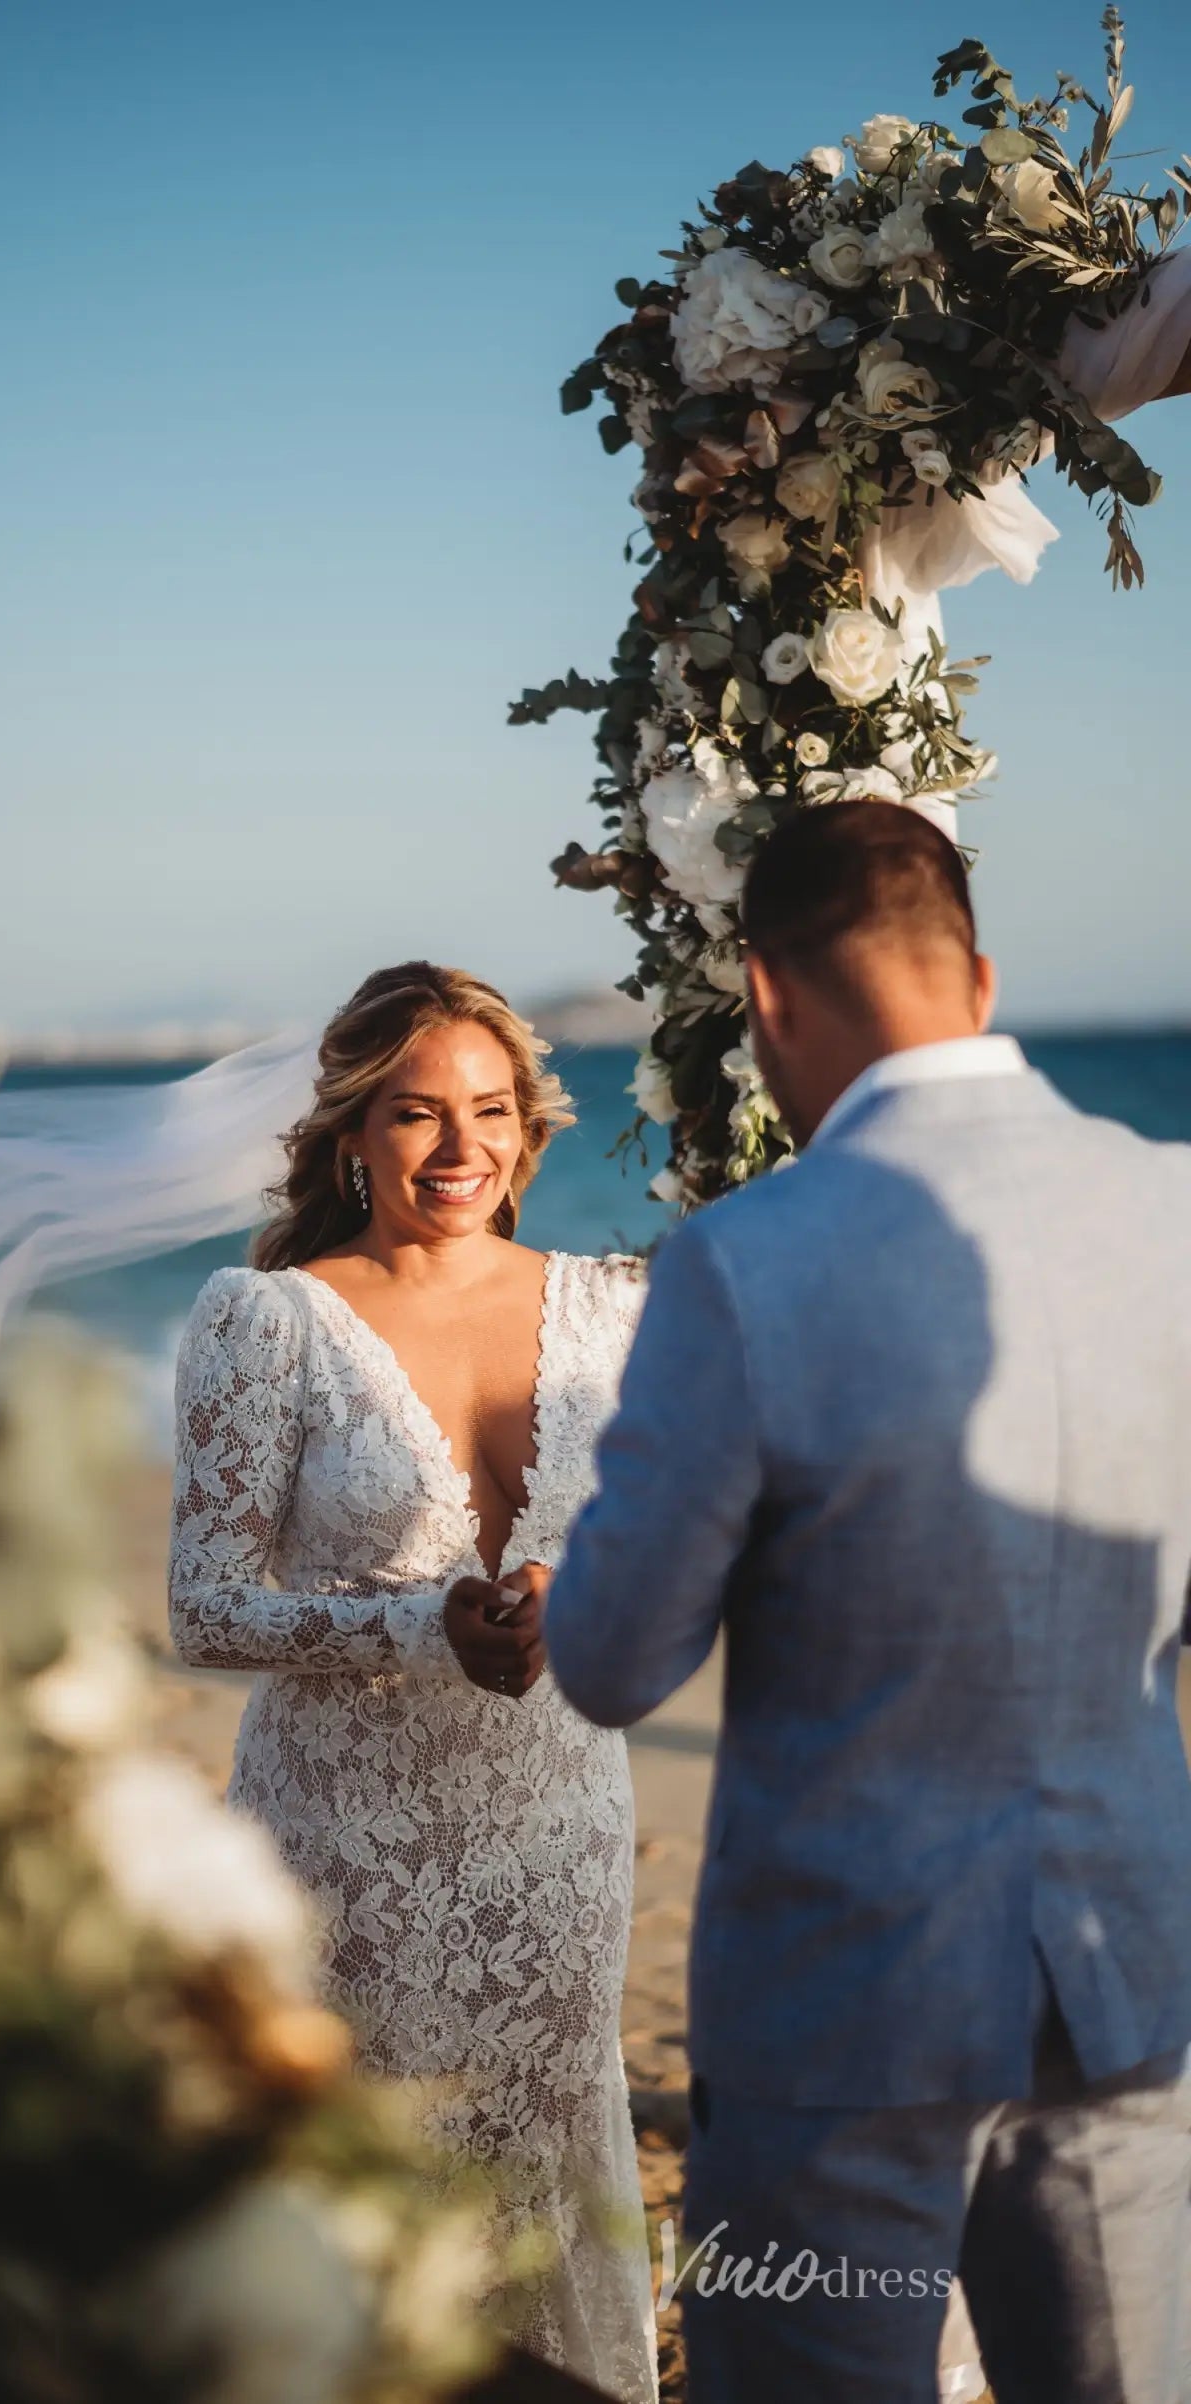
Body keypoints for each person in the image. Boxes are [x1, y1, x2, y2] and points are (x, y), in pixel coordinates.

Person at [546, 802, 1191, 2404]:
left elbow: (618, 1658)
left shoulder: (748, 1263)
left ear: (762, 997)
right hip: (1131, 1973)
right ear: (979, 975)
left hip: (845, 2007)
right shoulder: (1177, 1212)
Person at [168, 963, 659, 2404]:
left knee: (551, 2172)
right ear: (349, 1136)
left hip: (560, 1834)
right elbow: (203, 1609)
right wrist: (416, 1629)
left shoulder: (615, 1307)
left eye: (491, 1112)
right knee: (362, 2208)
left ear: (529, 1128)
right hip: (351, 1851)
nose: (461, 1151)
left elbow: (662, 1536)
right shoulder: (270, 1322)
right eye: (417, 1115)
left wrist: (586, 1594)